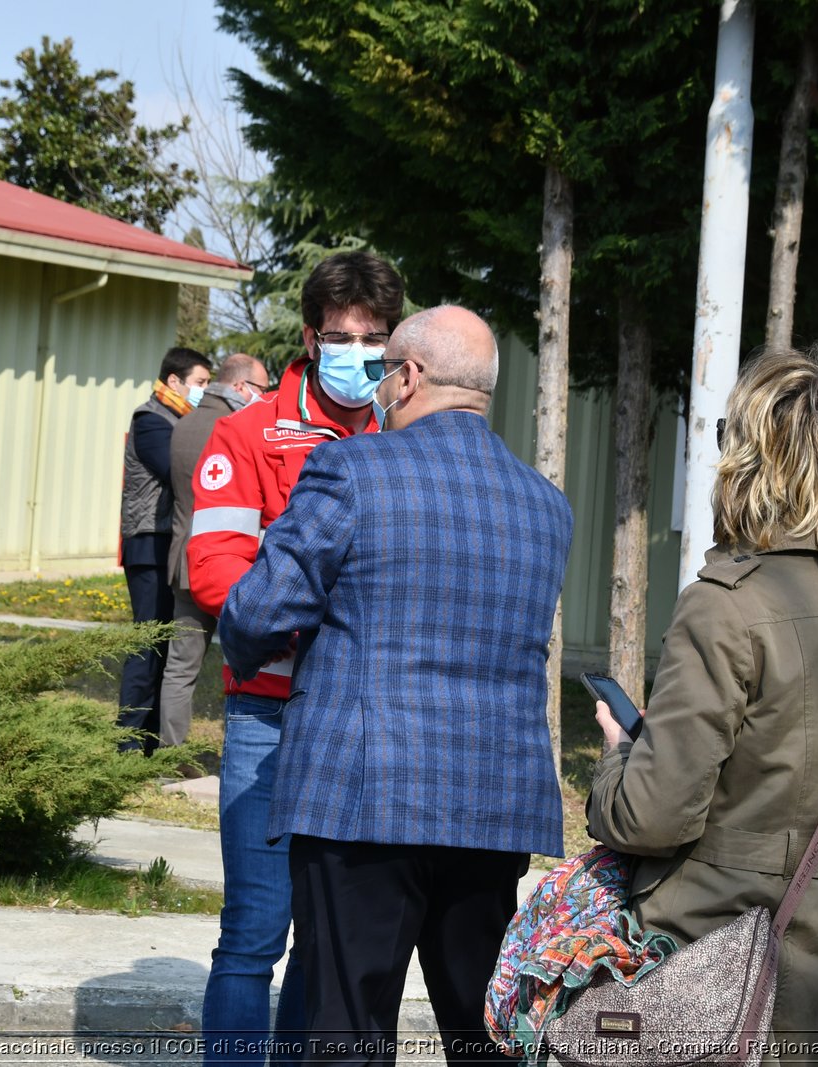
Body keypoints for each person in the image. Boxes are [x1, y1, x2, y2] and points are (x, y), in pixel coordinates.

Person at [220, 305, 573, 1067]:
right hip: (493, 806)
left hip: (363, 799)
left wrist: (245, 648)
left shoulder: (351, 467)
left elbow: (259, 608)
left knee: (348, 1030)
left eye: (385, 372)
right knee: (483, 1037)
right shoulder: (547, 507)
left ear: (409, 376)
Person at [586, 349, 818, 1060]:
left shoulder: (726, 607)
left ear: (757, 462)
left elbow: (652, 814)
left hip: (715, 982)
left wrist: (617, 757)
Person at [188, 250, 404, 1067]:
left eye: (377, 340)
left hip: (363, 717)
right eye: (344, 337)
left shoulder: (397, 434)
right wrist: (328, 624)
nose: (361, 354)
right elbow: (214, 572)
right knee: (253, 934)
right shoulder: (245, 433)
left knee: (329, 936)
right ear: (312, 338)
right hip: (270, 713)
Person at [160, 352, 272, 752]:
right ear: (241, 387)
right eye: (261, 388)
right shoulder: (238, 429)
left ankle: (170, 755)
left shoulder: (183, 422)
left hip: (185, 561)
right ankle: (240, 749)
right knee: (244, 665)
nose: (266, 396)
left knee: (181, 666)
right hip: (231, 561)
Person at [118, 346, 212, 753]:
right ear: (173, 381)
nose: (204, 392)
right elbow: (179, 471)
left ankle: (153, 741)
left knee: (166, 644)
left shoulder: (178, 419)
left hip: (167, 542)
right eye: (200, 383)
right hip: (148, 542)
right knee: (148, 643)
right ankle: (127, 743)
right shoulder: (152, 420)